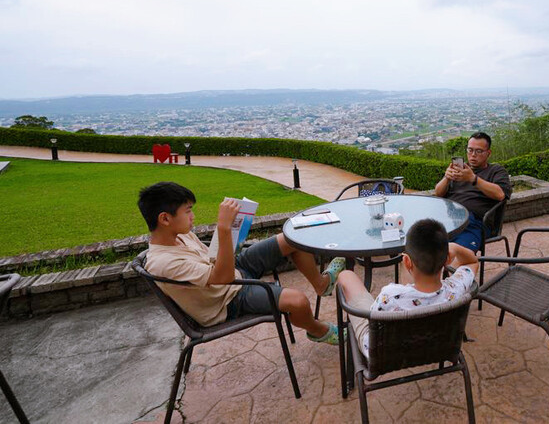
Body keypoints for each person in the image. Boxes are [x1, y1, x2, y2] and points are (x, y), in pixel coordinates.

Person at [138, 181, 344, 345]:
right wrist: (225, 230)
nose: (192, 216)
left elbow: (215, 261)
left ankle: (321, 284)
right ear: (165, 219)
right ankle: (318, 331)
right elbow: (223, 279)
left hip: (232, 272)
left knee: (292, 240)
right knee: (297, 301)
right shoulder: (164, 263)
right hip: (227, 300)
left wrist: (234, 236)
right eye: (188, 211)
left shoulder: (180, 236)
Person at [336, 218, 477, 356]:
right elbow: (472, 262)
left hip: (382, 352)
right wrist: (456, 248)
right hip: (436, 345)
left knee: (346, 276)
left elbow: (372, 320)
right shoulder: (455, 288)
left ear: (407, 261)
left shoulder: (390, 296)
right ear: (446, 259)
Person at [434, 131, 512, 252]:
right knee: (424, 245)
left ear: (488, 153)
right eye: (470, 150)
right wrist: (446, 178)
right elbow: (438, 193)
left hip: (475, 222)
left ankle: (457, 268)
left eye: (479, 151)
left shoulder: (496, 170)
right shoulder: (460, 170)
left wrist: (473, 178)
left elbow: (500, 194)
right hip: (449, 218)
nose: (473, 155)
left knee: (457, 252)